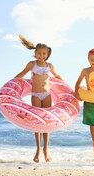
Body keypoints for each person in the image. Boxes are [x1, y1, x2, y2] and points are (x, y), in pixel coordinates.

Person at [15, 34, 63, 163]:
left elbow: (57, 76)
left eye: (44, 54)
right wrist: (13, 81)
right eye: (40, 53)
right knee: (37, 123)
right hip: (36, 95)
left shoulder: (50, 66)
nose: (42, 56)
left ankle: (46, 150)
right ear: (35, 53)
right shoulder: (32, 64)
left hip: (47, 95)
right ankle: (38, 150)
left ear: (47, 55)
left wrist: (67, 87)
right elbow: (22, 73)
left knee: (46, 123)